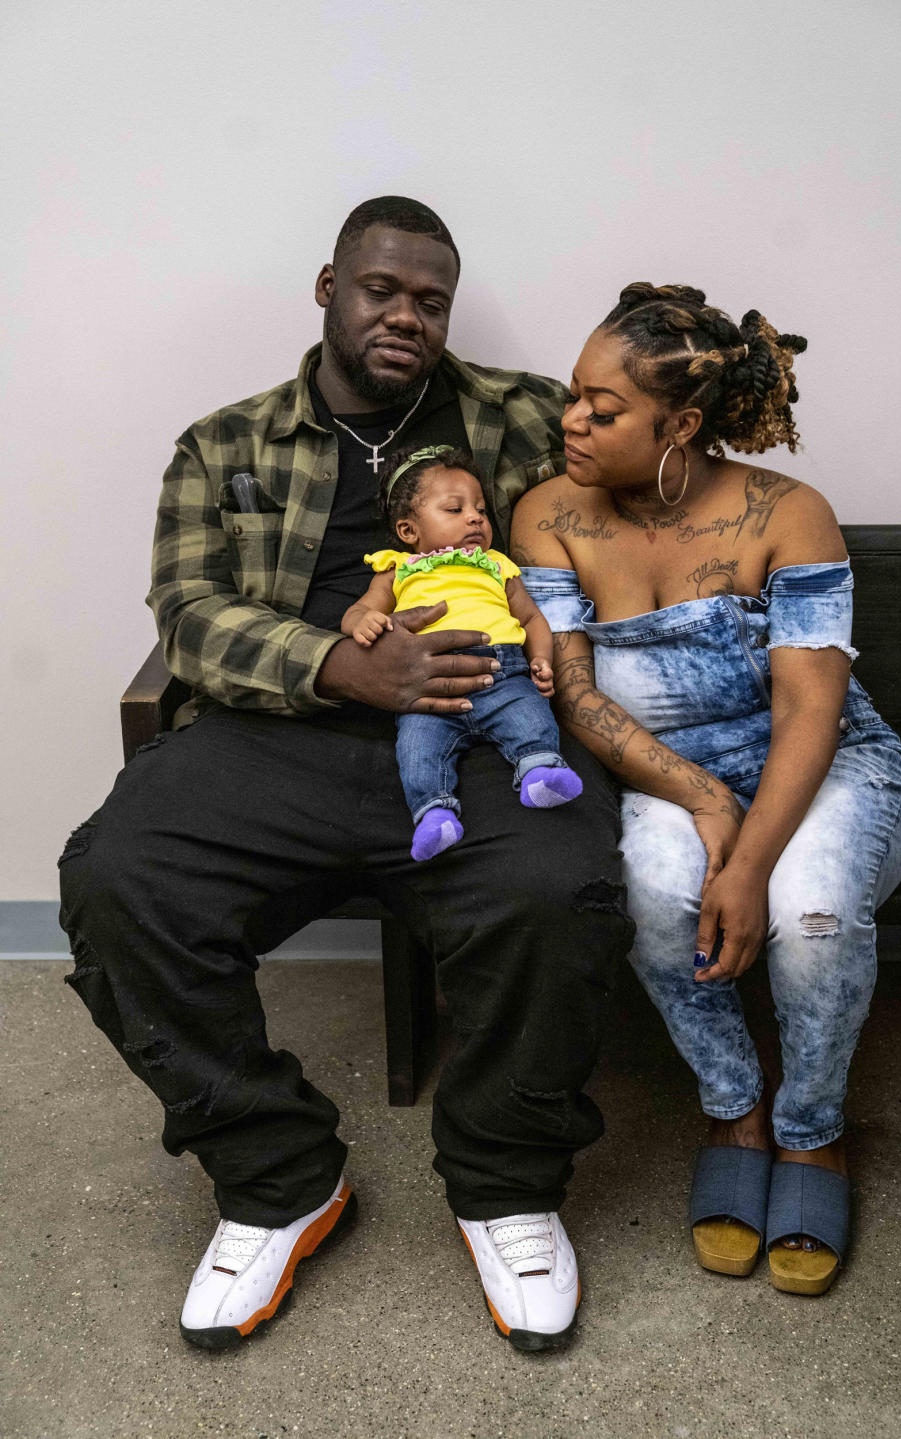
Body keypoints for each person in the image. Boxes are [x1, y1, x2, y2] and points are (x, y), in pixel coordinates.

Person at [57, 198, 634, 1353]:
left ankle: (507, 1181)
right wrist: (337, 665)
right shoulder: (224, 443)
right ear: (330, 287)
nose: (405, 315)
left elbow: (651, 431)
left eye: (430, 300)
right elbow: (188, 610)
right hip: (285, 725)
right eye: (382, 290)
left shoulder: (519, 414)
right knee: (117, 879)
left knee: (558, 887)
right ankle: (279, 1177)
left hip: (481, 720)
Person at [511, 282, 901, 1296]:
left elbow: (810, 713)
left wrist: (749, 856)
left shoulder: (787, 514)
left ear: (680, 424)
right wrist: (701, 800)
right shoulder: (548, 513)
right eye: (573, 396)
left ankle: (812, 1132)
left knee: (809, 911)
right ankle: (734, 1106)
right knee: (654, 899)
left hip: (824, 766)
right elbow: (573, 694)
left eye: (603, 410)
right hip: (663, 769)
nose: (572, 420)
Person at [342, 444, 582, 860]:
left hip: (502, 671)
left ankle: (540, 770)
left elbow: (531, 620)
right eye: (454, 510)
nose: (474, 517)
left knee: (530, 714)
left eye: (481, 510)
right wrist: (362, 623)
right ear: (408, 531)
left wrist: (542, 659)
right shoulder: (397, 568)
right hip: (426, 684)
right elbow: (360, 610)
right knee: (417, 747)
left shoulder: (496, 565)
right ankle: (434, 813)